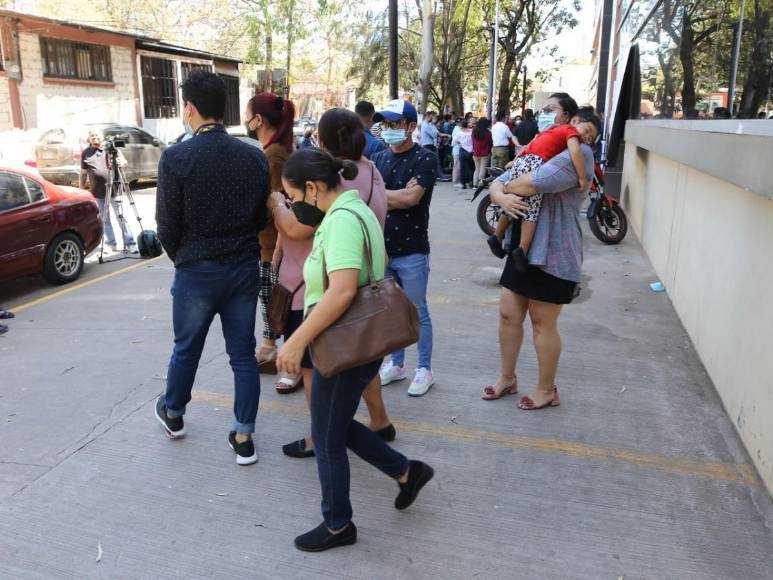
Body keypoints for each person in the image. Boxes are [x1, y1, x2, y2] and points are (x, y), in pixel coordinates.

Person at [275, 149, 434, 552]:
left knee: (326, 438)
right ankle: (405, 472)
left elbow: (343, 290)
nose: (293, 207)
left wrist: (295, 341)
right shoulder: (355, 208)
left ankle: (337, 524)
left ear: (312, 189)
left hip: (344, 341)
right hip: (362, 340)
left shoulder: (342, 221)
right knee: (336, 425)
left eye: (292, 198)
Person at [154, 71, 269, 465]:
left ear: (189, 108)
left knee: (186, 348)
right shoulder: (253, 156)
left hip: (197, 270)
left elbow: (167, 226)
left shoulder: (176, 158)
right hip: (241, 267)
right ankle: (244, 435)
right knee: (242, 354)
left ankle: (174, 414)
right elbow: (260, 217)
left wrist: (185, 257)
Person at [269, 107, 396, 458]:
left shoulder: (329, 187)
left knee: (316, 371)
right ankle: (380, 422)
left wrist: (279, 206)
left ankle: (319, 438)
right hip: (365, 291)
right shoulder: (369, 172)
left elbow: (297, 228)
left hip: (321, 291)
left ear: (321, 141)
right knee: (360, 357)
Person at [481, 106, 599, 409]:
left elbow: (534, 182)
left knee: (541, 321)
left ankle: (547, 390)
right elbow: (501, 180)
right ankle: (507, 377)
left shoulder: (579, 153)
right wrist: (500, 192)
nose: (547, 114)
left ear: (570, 120)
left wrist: (502, 191)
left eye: (553, 109)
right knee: (508, 313)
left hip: (554, 251)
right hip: (522, 249)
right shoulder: (544, 146)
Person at [488, 95, 600, 274]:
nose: (586, 137)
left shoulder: (549, 135)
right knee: (530, 212)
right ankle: (522, 250)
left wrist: (505, 186)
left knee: (513, 204)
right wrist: (581, 177)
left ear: (568, 115)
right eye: (544, 110)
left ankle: (497, 236)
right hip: (532, 164)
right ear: (573, 120)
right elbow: (527, 182)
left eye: (590, 137)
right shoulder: (566, 132)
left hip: (524, 164)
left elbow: (523, 161)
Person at [371, 99, 437, 397]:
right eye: (385, 124)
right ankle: (396, 364)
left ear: (412, 127)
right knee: (390, 310)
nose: (388, 129)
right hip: (383, 249)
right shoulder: (381, 157)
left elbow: (411, 200)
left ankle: (424, 368)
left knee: (417, 310)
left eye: (395, 124)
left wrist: (385, 195)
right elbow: (373, 198)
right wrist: (396, 194)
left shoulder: (425, 158)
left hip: (412, 250)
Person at [244, 92, 297, 374]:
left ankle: (283, 359)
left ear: (258, 120)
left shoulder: (273, 156)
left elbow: (277, 203)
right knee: (273, 301)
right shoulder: (277, 150)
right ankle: (269, 349)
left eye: (247, 113)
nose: (245, 120)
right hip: (275, 244)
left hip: (274, 245)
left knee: (275, 302)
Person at [79, 130, 137, 252]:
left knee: (121, 217)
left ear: (102, 137)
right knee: (105, 219)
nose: (94, 137)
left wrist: (122, 163)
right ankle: (111, 243)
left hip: (115, 189)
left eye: (96, 135)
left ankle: (130, 242)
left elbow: (124, 161)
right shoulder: (86, 153)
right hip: (98, 192)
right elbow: (83, 173)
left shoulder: (111, 148)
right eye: (92, 136)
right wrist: (81, 189)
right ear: (89, 139)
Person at [419, 111, 451, 181]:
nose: (432, 118)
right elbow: (434, 135)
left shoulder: (428, 125)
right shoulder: (426, 126)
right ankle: (439, 176)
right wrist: (438, 133)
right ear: (428, 116)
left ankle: (437, 176)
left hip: (430, 145)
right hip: (428, 145)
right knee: (434, 161)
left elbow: (437, 133)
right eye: (431, 117)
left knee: (434, 161)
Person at [452, 119, 474, 188]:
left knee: (463, 167)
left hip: (463, 150)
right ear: (467, 125)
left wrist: (459, 143)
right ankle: (471, 181)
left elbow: (453, 143)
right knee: (471, 167)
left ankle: (463, 183)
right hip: (471, 151)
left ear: (461, 126)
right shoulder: (471, 132)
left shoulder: (459, 133)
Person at [472, 117, 493, 186]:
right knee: (482, 169)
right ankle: (481, 183)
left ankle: (475, 183)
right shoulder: (487, 132)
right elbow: (490, 142)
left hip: (475, 153)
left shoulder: (474, 131)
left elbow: (472, 141)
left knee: (476, 169)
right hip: (485, 153)